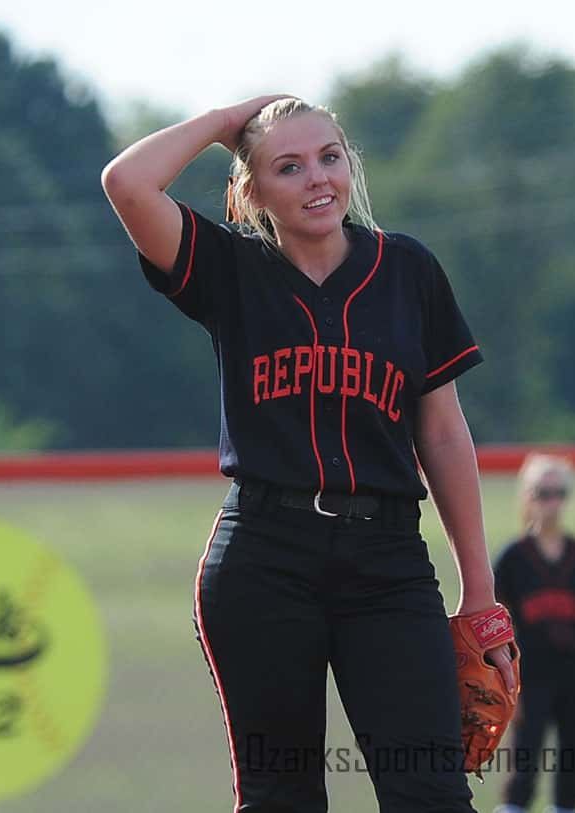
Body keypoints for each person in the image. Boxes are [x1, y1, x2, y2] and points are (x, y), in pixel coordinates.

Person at [101, 95, 518, 813]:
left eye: (329, 157)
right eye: (287, 167)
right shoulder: (230, 268)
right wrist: (231, 120)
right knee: (281, 798)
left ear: (350, 163)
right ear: (252, 189)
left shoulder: (407, 270)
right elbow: (128, 183)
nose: (316, 178)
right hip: (265, 558)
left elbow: (443, 434)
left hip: (388, 562)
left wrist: (479, 595)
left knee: (433, 797)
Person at [492, 453, 575, 813]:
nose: (552, 501)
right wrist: (501, 685)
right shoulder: (512, 560)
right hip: (529, 676)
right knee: (523, 766)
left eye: (559, 492)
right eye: (543, 492)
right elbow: (497, 626)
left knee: (573, 767)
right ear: (527, 495)